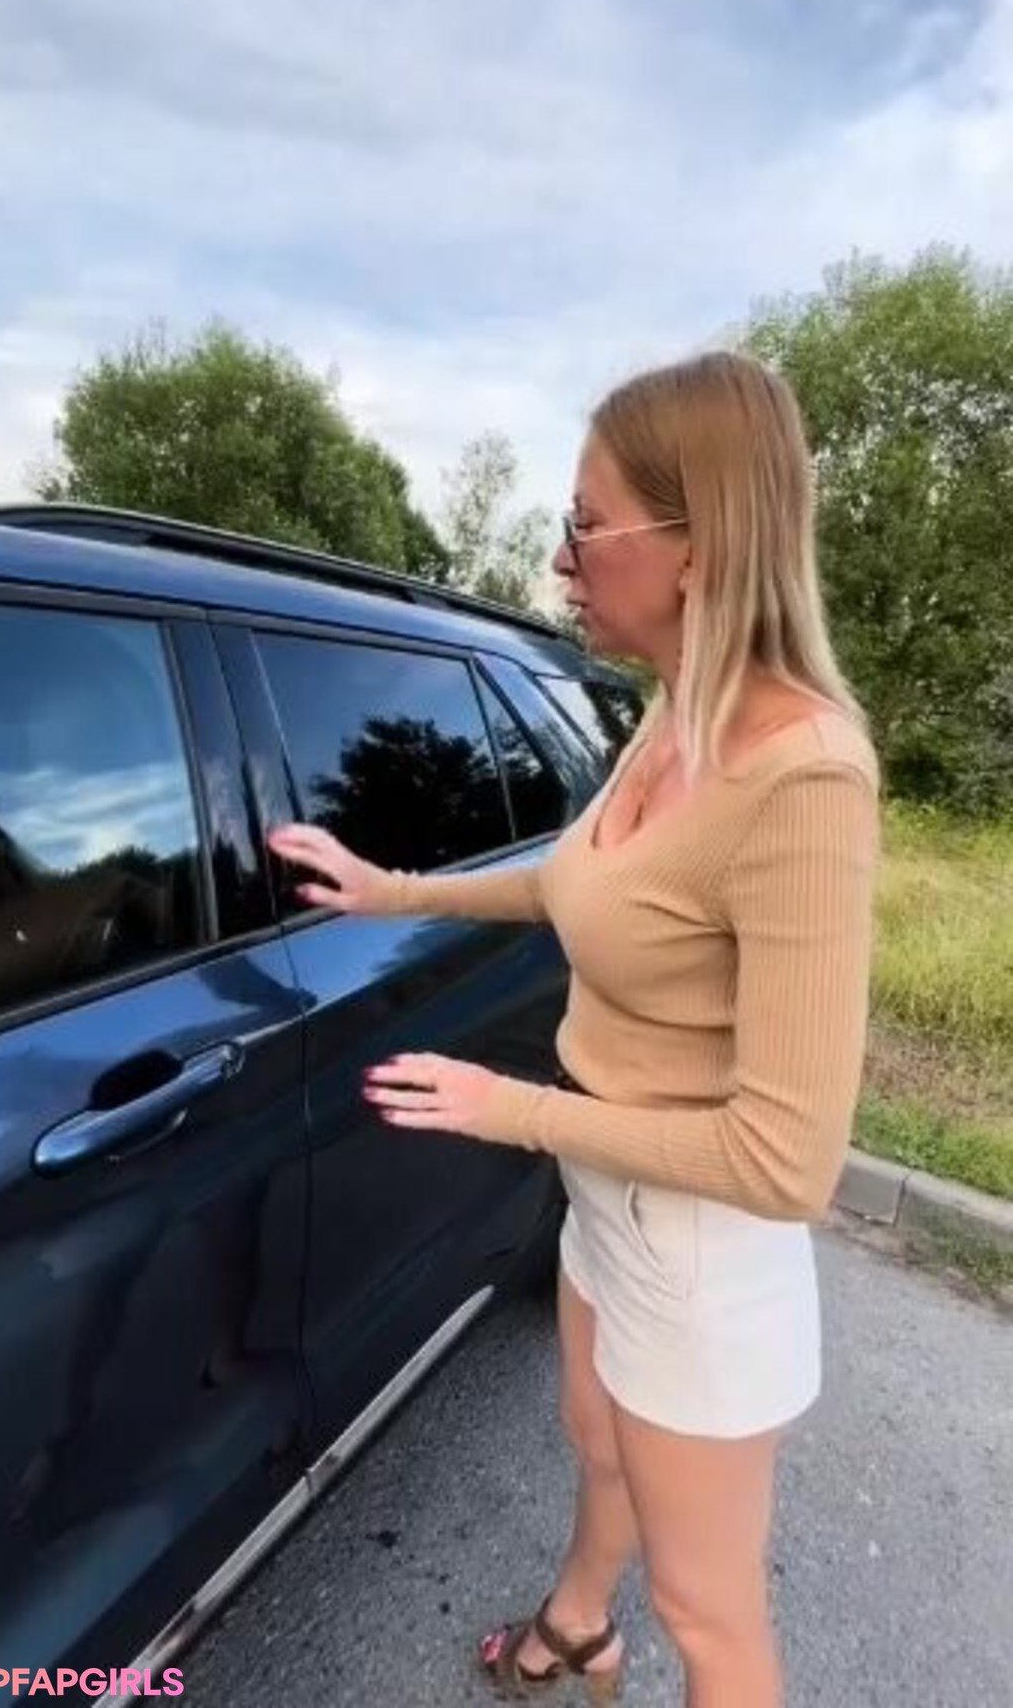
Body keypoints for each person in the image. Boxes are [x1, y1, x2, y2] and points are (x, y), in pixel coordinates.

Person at [269, 350, 880, 1708]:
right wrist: (388, 890)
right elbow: (576, 882)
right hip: (608, 1194)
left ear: (698, 546)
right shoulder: (674, 713)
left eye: (587, 524)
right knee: (597, 1441)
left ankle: (620, 1624)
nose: (560, 558)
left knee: (711, 1614)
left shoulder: (806, 780)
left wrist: (512, 1110)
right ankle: (580, 1624)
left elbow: (789, 1163)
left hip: (700, 1246)